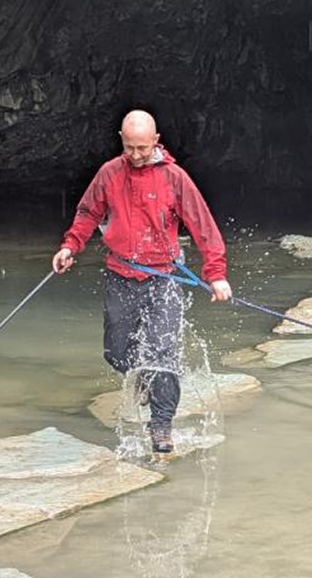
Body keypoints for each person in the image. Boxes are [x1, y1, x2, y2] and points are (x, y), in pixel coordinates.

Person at [51, 110, 232, 453]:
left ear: (156, 142)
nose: (136, 155)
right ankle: (145, 381)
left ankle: (161, 426)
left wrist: (217, 275)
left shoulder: (174, 178)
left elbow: (202, 225)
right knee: (116, 352)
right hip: (120, 275)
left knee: (164, 354)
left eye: (143, 149)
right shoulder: (109, 173)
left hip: (164, 277)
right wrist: (69, 246)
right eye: (130, 147)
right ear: (121, 139)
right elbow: (88, 212)